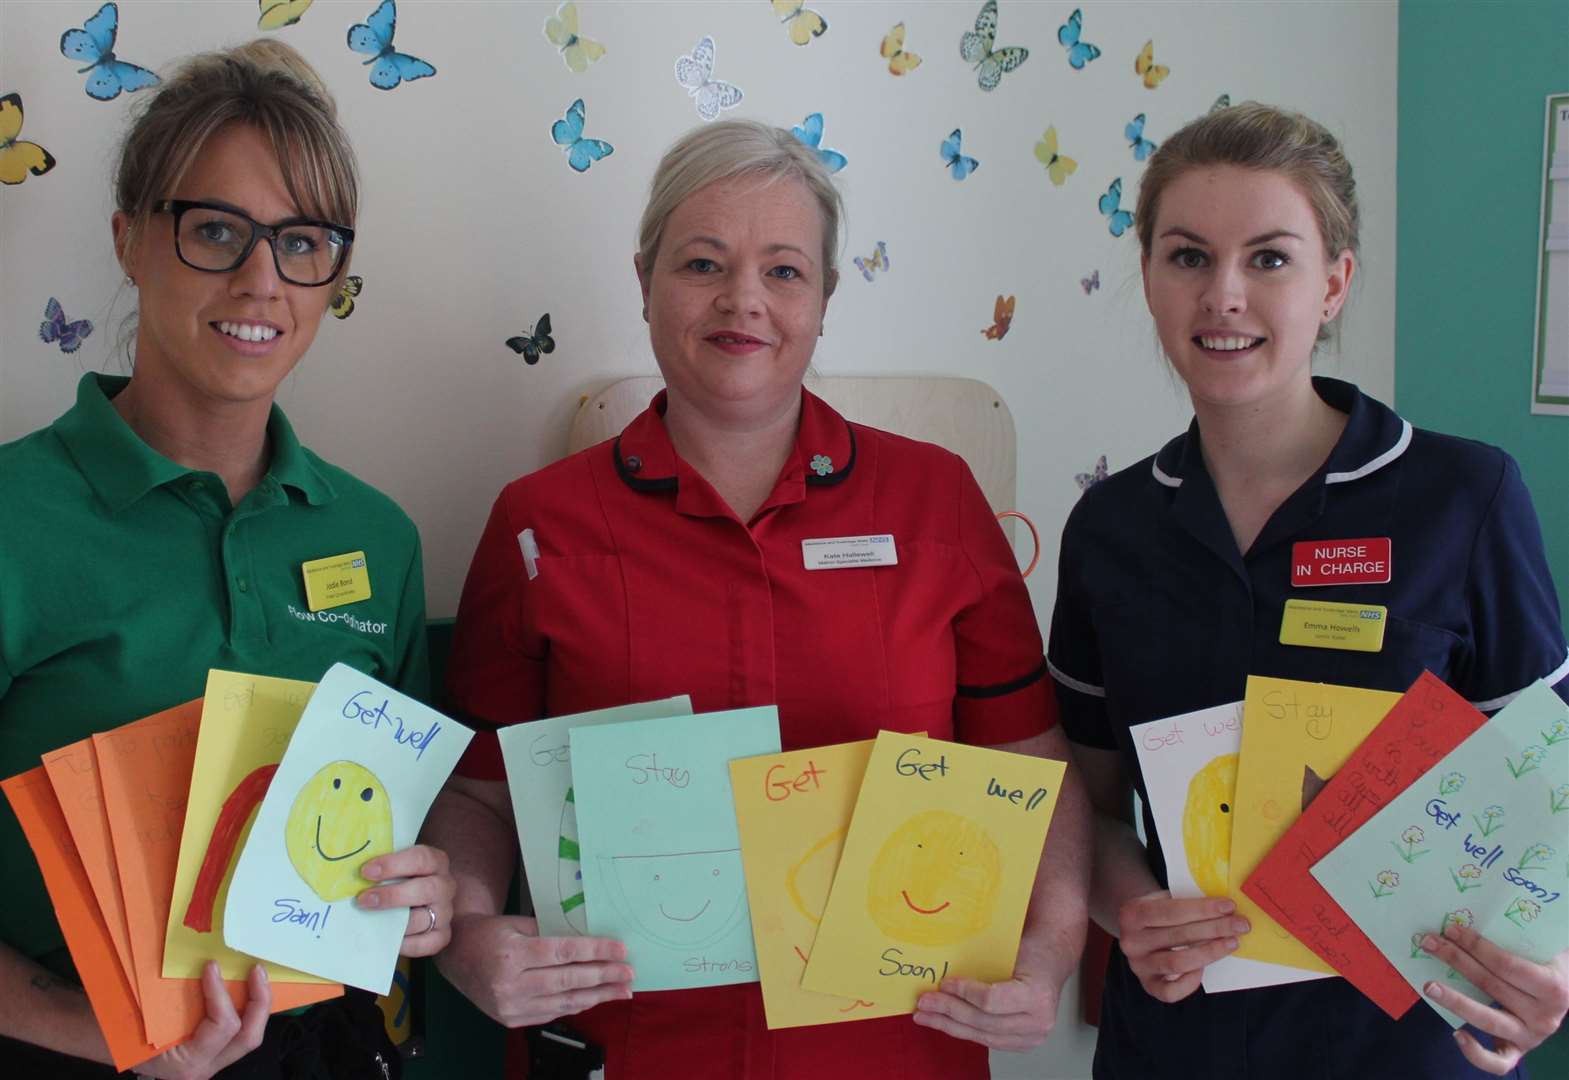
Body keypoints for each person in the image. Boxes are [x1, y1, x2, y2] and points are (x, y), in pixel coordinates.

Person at [426, 119, 1090, 1077]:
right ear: (646, 278)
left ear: (823, 298)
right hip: (630, 1046)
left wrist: (1050, 950)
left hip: (899, 1046)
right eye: (703, 262)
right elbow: (479, 797)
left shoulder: (935, 500)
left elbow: (1031, 760)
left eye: (784, 270)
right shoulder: (541, 525)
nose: (743, 300)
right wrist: (470, 938)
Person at [1047, 102, 1569, 1079]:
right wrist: (1130, 911)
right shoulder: (1111, 528)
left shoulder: (1465, 496)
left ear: (1335, 283)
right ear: (1151, 280)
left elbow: (1549, 791)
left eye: (1271, 258)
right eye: (1188, 256)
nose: (1225, 295)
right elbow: (1088, 797)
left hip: (1403, 1041)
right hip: (1177, 1040)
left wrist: (1554, 969)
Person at [0, 41, 454, 1079]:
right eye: (215, 231)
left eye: (302, 242)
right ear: (129, 240)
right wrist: (105, 1035)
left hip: (324, 1050)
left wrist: (427, 893)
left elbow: (391, 830)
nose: (263, 281)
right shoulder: (13, 516)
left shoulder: (376, 539)